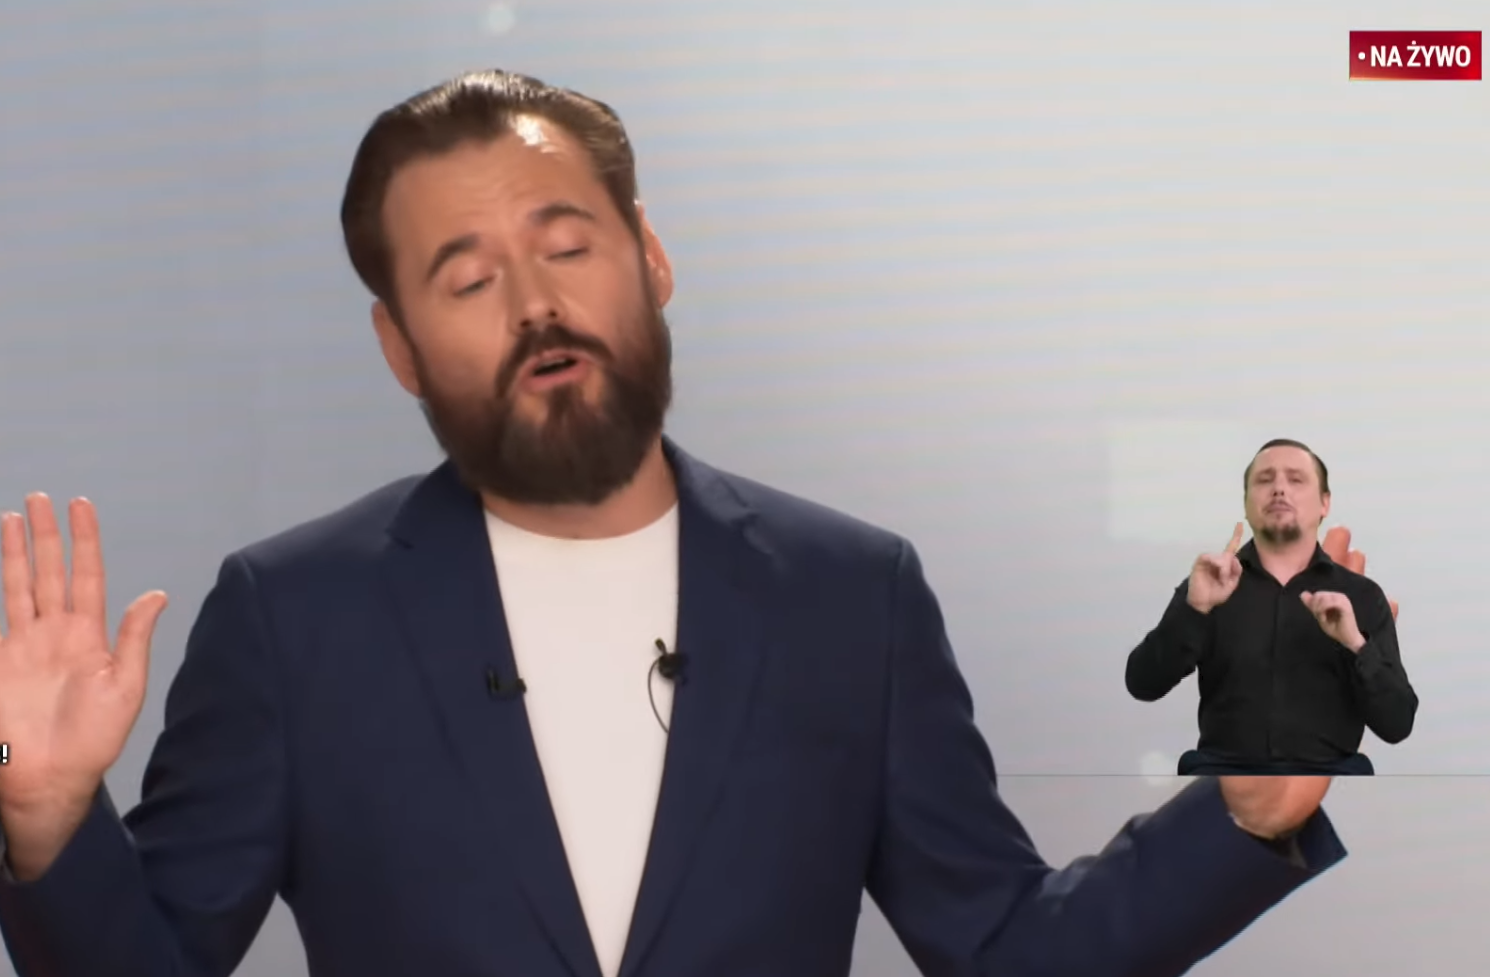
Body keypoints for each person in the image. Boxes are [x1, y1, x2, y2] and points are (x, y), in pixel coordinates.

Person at [0, 70, 1351, 977]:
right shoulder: (294, 617)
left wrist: (1238, 815)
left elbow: (1000, 945)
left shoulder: (850, 593)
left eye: (566, 247)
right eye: (466, 280)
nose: (535, 303)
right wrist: (52, 820)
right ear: (398, 346)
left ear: (648, 258)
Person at [1125, 439, 1416, 776]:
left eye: (1295, 479)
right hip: (1222, 778)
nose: (1279, 488)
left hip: (1330, 781)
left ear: (1325, 503)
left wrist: (1356, 644)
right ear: (1246, 503)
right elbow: (1142, 684)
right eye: (1265, 480)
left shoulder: (1362, 596)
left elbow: (1398, 724)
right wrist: (1194, 610)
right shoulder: (1209, 582)